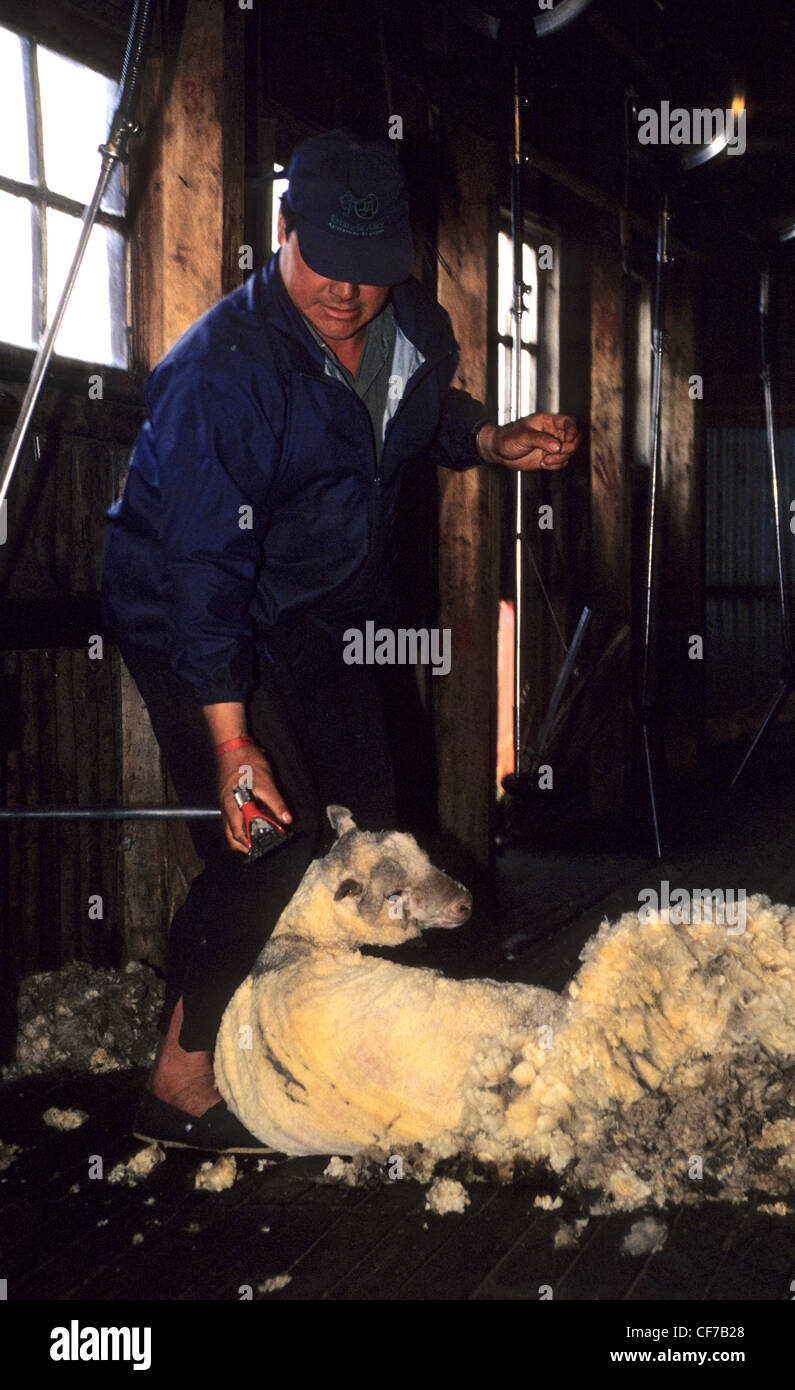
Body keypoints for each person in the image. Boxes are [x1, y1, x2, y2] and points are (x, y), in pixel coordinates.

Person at [100, 128, 580, 1152]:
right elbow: (201, 572)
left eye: (370, 270)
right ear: (282, 230)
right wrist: (233, 746)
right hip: (192, 609)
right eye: (323, 261)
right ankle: (178, 1083)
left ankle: (335, 1051)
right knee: (265, 837)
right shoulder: (221, 373)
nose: (344, 293)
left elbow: (416, 415)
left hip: (317, 606)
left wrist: (490, 441)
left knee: (370, 832)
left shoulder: (410, 322)